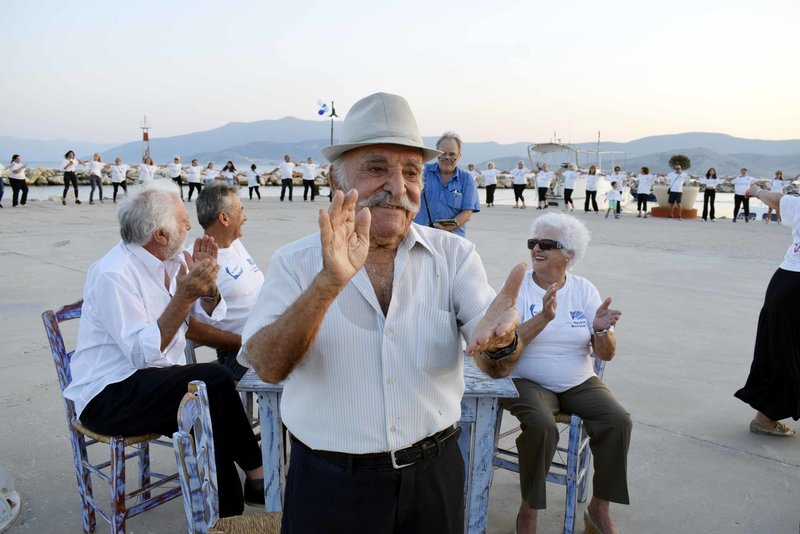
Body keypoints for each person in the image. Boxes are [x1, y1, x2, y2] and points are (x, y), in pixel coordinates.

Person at [240, 92, 525, 533]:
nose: (398, 186)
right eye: (376, 169)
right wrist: (328, 284)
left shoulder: (455, 257)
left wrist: (502, 340)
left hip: (434, 479)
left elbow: (494, 361)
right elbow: (267, 366)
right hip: (331, 487)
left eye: (411, 171)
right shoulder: (295, 263)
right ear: (337, 183)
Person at [62, 181, 265, 516]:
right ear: (160, 235)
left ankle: (228, 512)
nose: (189, 225)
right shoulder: (114, 274)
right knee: (212, 381)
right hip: (109, 396)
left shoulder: (171, 261)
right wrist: (184, 295)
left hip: (153, 380)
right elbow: (142, 355)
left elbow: (208, 313)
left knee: (206, 406)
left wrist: (207, 285)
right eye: (183, 220)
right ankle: (255, 477)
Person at [503, 212, 630, 534]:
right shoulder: (518, 289)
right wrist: (543, 318)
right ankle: (528, 510)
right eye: (533, 242)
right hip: (527, 379)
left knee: (618, 421)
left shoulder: (584, 289)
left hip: (578, 379)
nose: (536, 249)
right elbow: (501, 346)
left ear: (568, 254)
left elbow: (607, 354)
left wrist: (601, 331)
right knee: (542, 426)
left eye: (547, 244)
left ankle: (599, 509)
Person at [734, 184, 800, 437]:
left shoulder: (798, 204)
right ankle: (765, 418)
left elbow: (777, 199)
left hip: (784, 281)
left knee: (782, 350)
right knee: (789, 354)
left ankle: (766, 416)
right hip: (795, 289)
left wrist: (756, 191)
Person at [195, 183, 263, 379]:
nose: (245, 217)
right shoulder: (199, 260)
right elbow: (191, 328)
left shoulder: (235, 245)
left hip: (269, 339)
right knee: (300, 379)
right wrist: (244, 342)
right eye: (241, 210)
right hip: (238, 354)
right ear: (224, 218)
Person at [414, 131, 481, 236]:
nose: (447, 157)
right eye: (443, 153)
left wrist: (446, 228)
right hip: (421, 237)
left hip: (453, 239)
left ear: (459, 156)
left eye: (452, 154)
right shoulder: (422, 172)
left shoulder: (467, 180)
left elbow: (467, 213)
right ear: (437, 153)